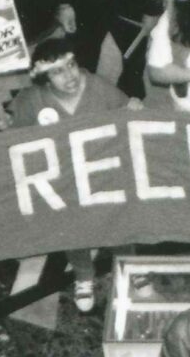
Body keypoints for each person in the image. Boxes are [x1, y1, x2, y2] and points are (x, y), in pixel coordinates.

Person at [10, 34, 134, 312]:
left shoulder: (98, 87)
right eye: (57, 72)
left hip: (104, 175)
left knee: (117, 224)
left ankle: (131, 270)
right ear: (44, 79)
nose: (69, 76)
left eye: (71, 66)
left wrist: (135, 108)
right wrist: (3, 126)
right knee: (73, 230)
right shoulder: (32, 100)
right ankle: (83, 274)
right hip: (65, 182)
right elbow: (14, 140)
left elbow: (127, 110)